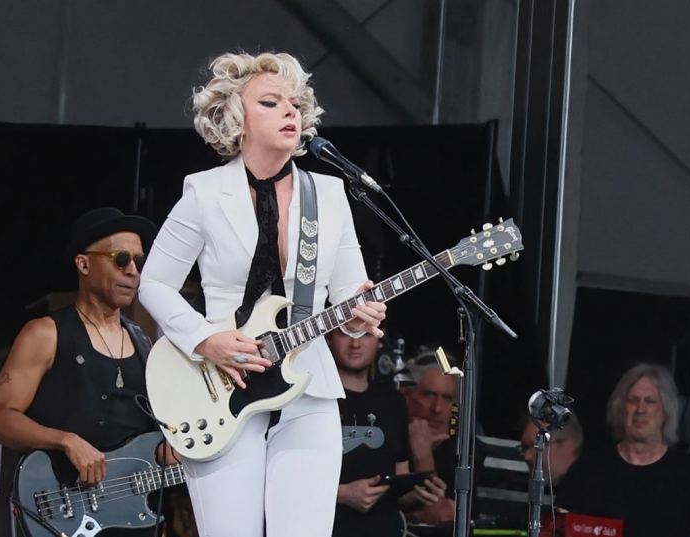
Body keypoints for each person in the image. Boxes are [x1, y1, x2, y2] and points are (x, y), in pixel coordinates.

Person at [137, 52, 387, 537]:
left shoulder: (330, 195)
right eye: (271, 103)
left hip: (307, 381)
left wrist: (361, 316)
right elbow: (154, 282)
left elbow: (349, 301)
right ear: (237, 120)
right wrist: (205, 339)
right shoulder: (205, 193)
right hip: (219, 383)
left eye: (296, 103)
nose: (290, 112)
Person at [0, 207, 171, 536]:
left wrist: (167, 451)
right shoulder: (45, 333)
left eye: (139, 262)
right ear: (83, 264)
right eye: (121, 258)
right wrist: (65, 440)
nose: (133, 271)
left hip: (129, 516)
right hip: (62, 509)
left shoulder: (144, 342)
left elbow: (151, 434)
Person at [557, 363, 690, 537]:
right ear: (621, 409)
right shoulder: (588, 469)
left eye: (650, 401)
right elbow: (560, 527)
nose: (640, 409)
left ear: (665, 411)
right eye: (633, 400)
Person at [328, 328, 446, 537]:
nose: (355, 344)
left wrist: (419, 495)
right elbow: (283, 483)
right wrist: (343, 494)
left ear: (379, 340)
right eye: (346, 333)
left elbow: (398, 483)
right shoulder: (311, 399)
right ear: (328, 338)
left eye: (365, 334)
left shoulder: (393, 402)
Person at [400, 352, 459, 524]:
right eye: (429, 395)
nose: (437, 408)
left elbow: (441, 517)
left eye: (447, 398)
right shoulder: (389, 440)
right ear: (407, 396)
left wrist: (423, 455)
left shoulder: (462, 452)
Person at [519, 409, 583, 492]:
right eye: (525, 448)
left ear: (567, 447)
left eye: (536, 446)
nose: (526, 456)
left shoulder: (590, 493)